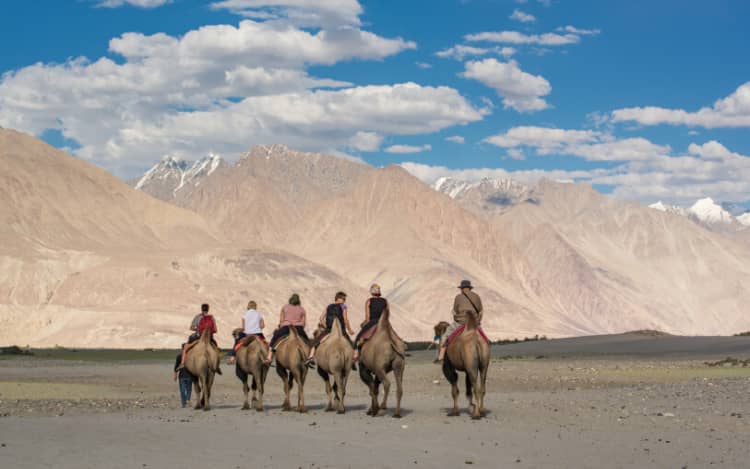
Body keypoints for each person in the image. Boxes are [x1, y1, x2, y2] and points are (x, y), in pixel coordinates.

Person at [436, 280, 483, 363]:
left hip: (460, 323)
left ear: (462, 289)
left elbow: (454, 311)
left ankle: (441, 356)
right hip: (475, 324)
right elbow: (480, 311)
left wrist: (457, 317)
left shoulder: (458, 297)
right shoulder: (477, 296)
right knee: (483, 338)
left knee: (445, 336)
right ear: (470, 288)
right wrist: (477, 321)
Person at [306, 291, 355, 364]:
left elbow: (321, 318)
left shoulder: (328, 306)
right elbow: (345, 319)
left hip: (329, 330)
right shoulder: (343, 306)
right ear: (338, 298)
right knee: (351, 344)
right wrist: (350, 329)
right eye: (343, 299)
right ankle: (353, 359)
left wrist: (326, 326)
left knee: (316, 342)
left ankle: (311, 357)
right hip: (340, 330)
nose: (344, 301)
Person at [265, 293, 310, 363]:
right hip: (298, 328)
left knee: (275, 338)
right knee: (307, 341)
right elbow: (303, 323)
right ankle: (308, 357)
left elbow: (281, 320)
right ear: (299, 301)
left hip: (286, 327)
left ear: (290, 299)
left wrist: (281, 326)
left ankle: (269, 356)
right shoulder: (302, 309)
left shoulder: (285, 307)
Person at [179, 303, 220, 373]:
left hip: (198, 337)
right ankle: (217, 366)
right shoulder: (212, 318)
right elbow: (215, 330)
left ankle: (182, 363)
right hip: (209, 338)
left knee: (186, 347)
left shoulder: (198, 317)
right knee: (216, 349)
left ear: (201, 309)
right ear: (208, 309)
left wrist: (198, 329)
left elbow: (191, 327)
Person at [352, 284, 389, 362]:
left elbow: (367, 317)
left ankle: (355, 354)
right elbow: (387, 313)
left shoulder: (369, 301)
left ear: (371, 292)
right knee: (394, 336)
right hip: (384, 322)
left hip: (373, 321)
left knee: (358, 337)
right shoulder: (385, 301)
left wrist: (364, 322)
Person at [173, 343, 192, 408]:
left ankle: (187, 400)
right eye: (185, 347)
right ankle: (184, 404)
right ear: (182, 348)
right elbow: (176, 367)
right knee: (182, 391)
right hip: (182, 377)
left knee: (189, 390)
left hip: (190, 376)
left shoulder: (191, 356)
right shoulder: (179, 356)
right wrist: (175, 375)